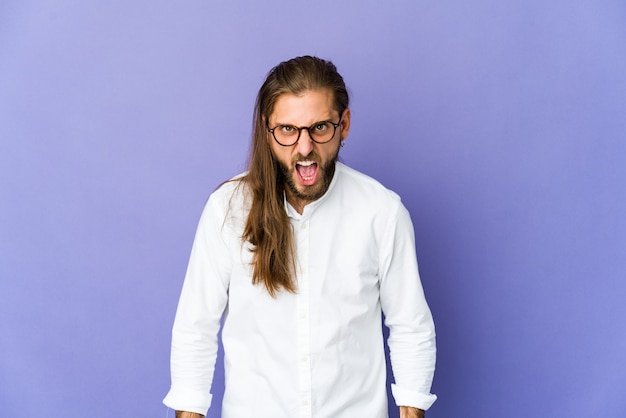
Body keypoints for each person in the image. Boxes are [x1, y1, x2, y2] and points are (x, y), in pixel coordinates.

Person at [163, 56, 437, 418]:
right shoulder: (226, 209)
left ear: (345, 124)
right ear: (267, 129)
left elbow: (410, 326)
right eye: (288, 129)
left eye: (319, 127)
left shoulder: (382, 212)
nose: (304, 148)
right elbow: (195, 326)